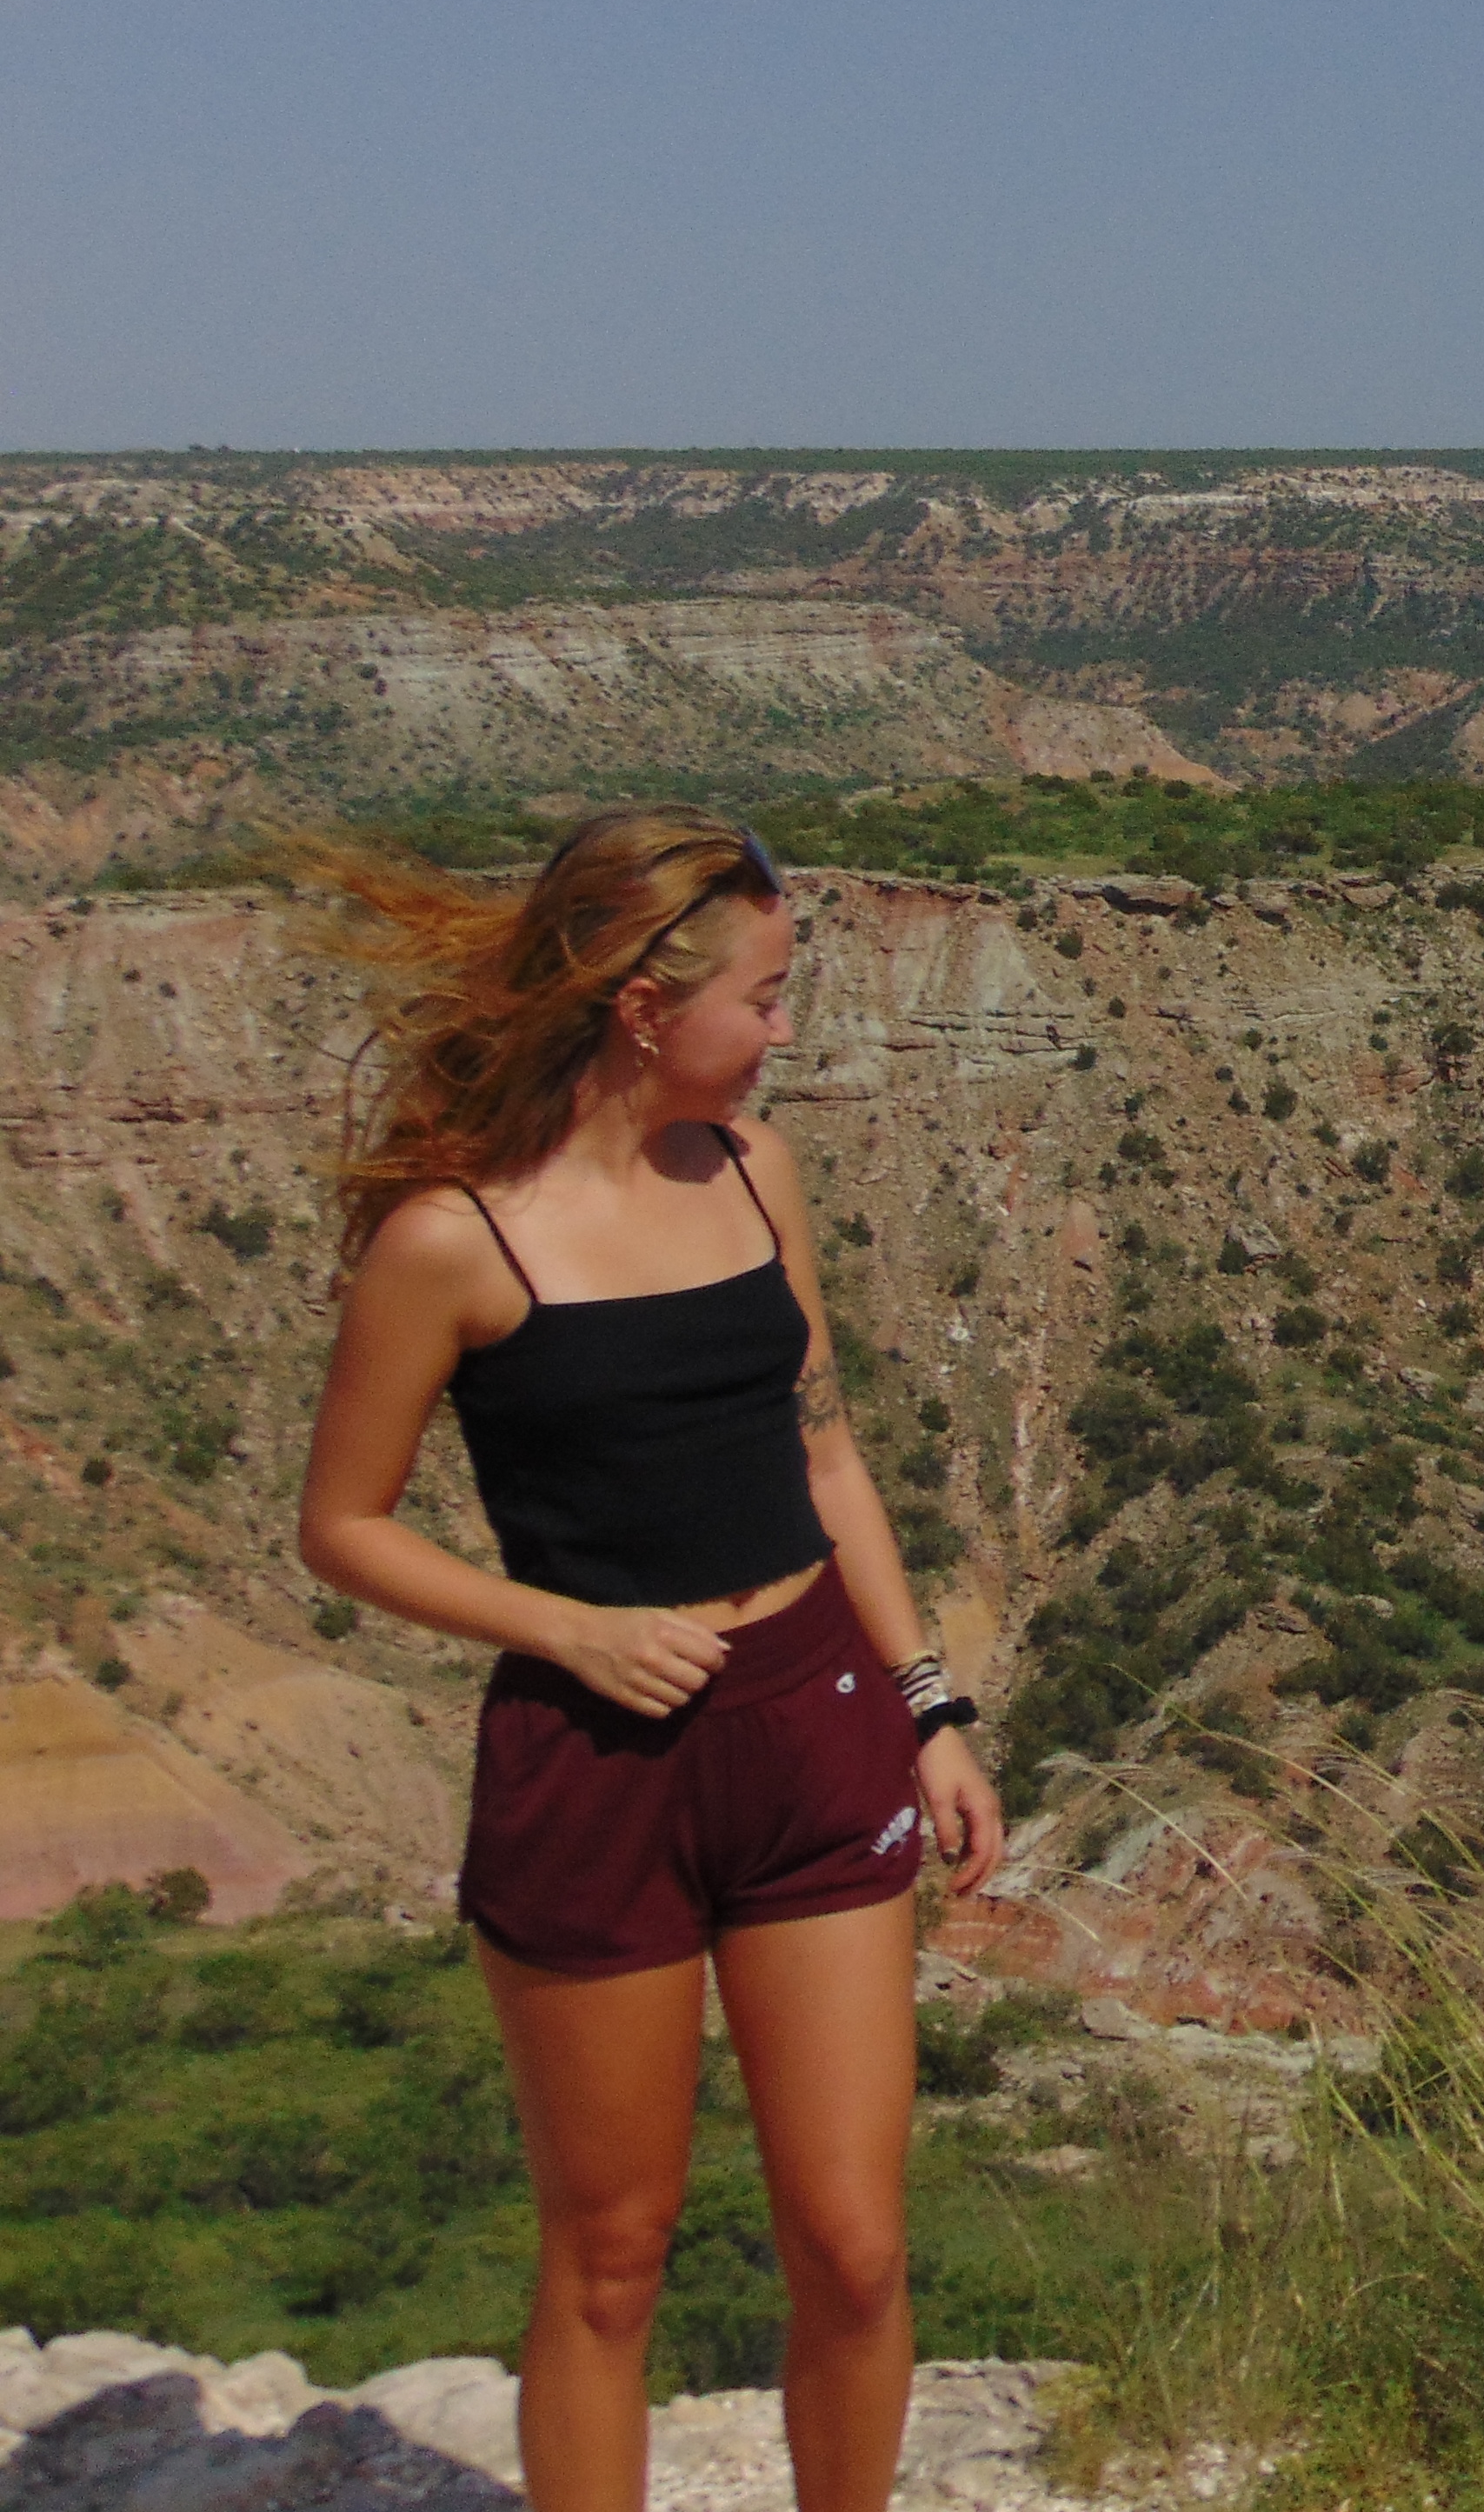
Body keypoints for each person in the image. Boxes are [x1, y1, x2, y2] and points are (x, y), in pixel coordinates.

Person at [296, 806, 1003, 2512]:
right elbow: (345, 1524)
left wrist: (930, 1704)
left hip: (814, 1731)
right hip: (595, 1764)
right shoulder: (454, 1239)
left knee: (849, 2244)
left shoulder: (759, 1176)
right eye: (760, 998)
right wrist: (567, 1627)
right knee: (611, 2259)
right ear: (639, 1004)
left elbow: (825, 1456)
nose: (781, 1031)